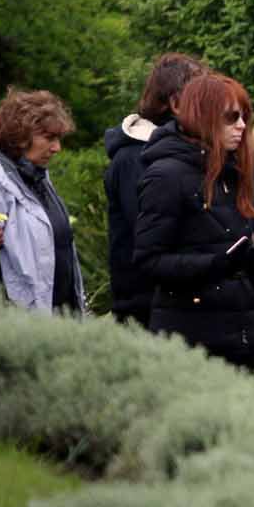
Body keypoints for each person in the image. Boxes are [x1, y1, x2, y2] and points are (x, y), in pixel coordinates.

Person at [134, 74, 254, 367]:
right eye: (231, 117)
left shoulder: (232, 171)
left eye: (244, 116)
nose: (242, 126)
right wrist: (216, 264)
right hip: (193, 341)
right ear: (204, 117)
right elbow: (148, 260)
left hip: (240, 334)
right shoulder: (167, 176)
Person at [103, 53, 205, 327]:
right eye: (201, 97)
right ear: (174, 102)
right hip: (146, 307)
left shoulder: (184, 151)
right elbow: (150, 233)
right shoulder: (134, 158)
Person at [0, 89, 85, 314]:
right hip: (20, 328)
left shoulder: (38, 176)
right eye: (49, 138)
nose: (57, 148)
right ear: (21, 136)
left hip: (61, 318)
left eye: (58, 139)